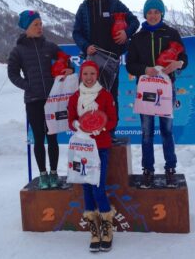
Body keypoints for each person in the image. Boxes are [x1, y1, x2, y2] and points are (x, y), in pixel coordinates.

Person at [126, 0, 188, 188]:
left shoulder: (172, 33)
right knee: (146, 133)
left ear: (161, 13)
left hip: (166, 89)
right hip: (145, 91)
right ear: (145, 14)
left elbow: (184, 59)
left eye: (156, 11)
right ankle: (148, 170)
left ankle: (170, 168)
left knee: (167, 131)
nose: (152, 15)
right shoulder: (137, 37)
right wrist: (146, 70)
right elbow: (130, 65)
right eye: (149, 12)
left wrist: (178, 63)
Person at [7, 10, 73, 189]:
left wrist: (69, 69)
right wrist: (27, 85)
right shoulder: (18, 50)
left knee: (52, 138)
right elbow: (12, 74)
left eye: (40, 24)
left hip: (52, 101)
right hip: (33, 100)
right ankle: (42, 175)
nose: (39, 27)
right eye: (35, 24)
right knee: (38, 138)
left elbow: (66, 60)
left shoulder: (49, 46)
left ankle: (53, 173)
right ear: (26, 28)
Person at [72, 0, 139, 142]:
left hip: (111, 60)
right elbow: (76, 32)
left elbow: (134, 21)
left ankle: (110, 133)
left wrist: (126, 33)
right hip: (92, 62)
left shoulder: (114, 3)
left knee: (110, 97)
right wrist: (86, 46)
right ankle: (91, 131)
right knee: (91, 96)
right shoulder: (83, 7)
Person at [68, 61, 117, 252]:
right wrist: (79, 126)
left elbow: (113, 119)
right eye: (85, 74)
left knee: (98, 187)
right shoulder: (75, 97)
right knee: (86, 188)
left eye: (92, 74)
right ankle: (94, 229)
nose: (89, 77)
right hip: (81, 147)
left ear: (97, 75)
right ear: (81, 75)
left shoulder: (105, 95)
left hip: (100, 147)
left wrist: (101, 127)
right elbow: (71, 119)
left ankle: (107, 226)